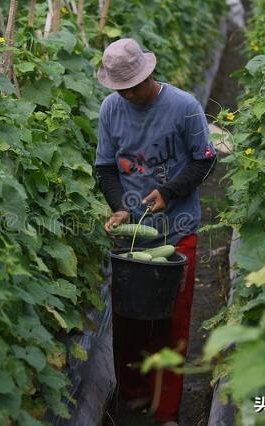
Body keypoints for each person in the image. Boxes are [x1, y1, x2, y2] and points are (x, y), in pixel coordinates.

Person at [94, 38, 217, 425]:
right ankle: (133, 394)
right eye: (121, 87)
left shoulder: (184, 108)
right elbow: (105, 169)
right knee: (129, 320)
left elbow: (204, 162)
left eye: (134, 85)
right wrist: (118, 207)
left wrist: (168, 192)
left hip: (179, 232)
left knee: (172, 323)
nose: (128, 93)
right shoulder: (111, 109)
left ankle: (167, 412)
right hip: (130, 237)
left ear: (150, 73)